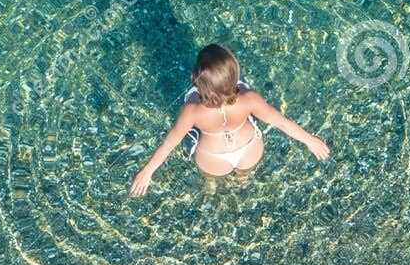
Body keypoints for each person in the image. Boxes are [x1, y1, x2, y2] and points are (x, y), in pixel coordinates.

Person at [129, 44, 329, 196]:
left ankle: (213, 192)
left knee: (211, 187)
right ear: (233, 76)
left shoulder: (192, 111)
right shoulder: (249, 99)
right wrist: (310, 140)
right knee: (244, 180)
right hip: (249, 149)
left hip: (212, 159)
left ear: (198, 80)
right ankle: (241, 184)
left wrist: (147, 172)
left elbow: (170, 143)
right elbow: (281, 122)